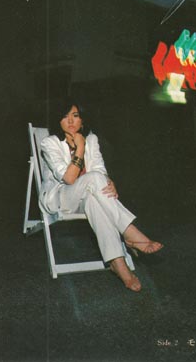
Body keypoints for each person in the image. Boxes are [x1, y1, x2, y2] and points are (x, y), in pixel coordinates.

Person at [40, 100, 163, 292]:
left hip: (88, 194)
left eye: (75, 116)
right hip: (61, 198)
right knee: (95, 179)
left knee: (94, 201)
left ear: (82, 119)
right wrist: (80, 148)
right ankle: (129, 232)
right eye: (65, 116)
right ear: (58, 121)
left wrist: (107, 181)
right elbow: (69, 179)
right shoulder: (50, 143)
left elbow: (99, 169)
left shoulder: (92, 139)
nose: (70, 121)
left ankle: (118, 264)